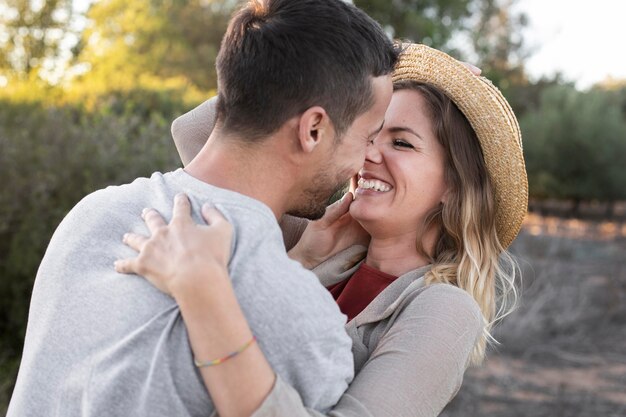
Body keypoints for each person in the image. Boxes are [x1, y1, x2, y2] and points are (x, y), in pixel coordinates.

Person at [7, 1, 399, 416]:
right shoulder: (297, 313)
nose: (364, 161)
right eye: (368, 136)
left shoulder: (93, 213)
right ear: (313, 129)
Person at [117, 44, 528, 417]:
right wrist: (366, 56)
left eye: (401, 143)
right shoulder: (312, 237)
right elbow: (199, 133)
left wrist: (203, 295)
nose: (369, 154)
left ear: (452, 185)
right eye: (369, 133)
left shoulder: (443, 310)